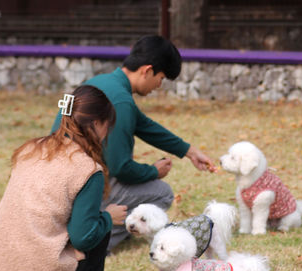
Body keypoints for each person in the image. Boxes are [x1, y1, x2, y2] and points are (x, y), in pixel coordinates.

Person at [54, 35, 217, 250]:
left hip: (59, 182)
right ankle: (99, 240)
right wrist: (153, 171)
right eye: (161, 78)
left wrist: (188, 151)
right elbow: (121, 168)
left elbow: (143, 125)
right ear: (147, 70)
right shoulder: (121, 102)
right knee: (162, 192)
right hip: (81, 189)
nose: (159, 86)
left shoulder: (99, 82)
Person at [0, 85, 126, 271]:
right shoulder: (87, 168)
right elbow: (83, 237)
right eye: (108, 125)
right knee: (99, 222)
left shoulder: (29, 149)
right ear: (97, 124)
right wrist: (109, 218)